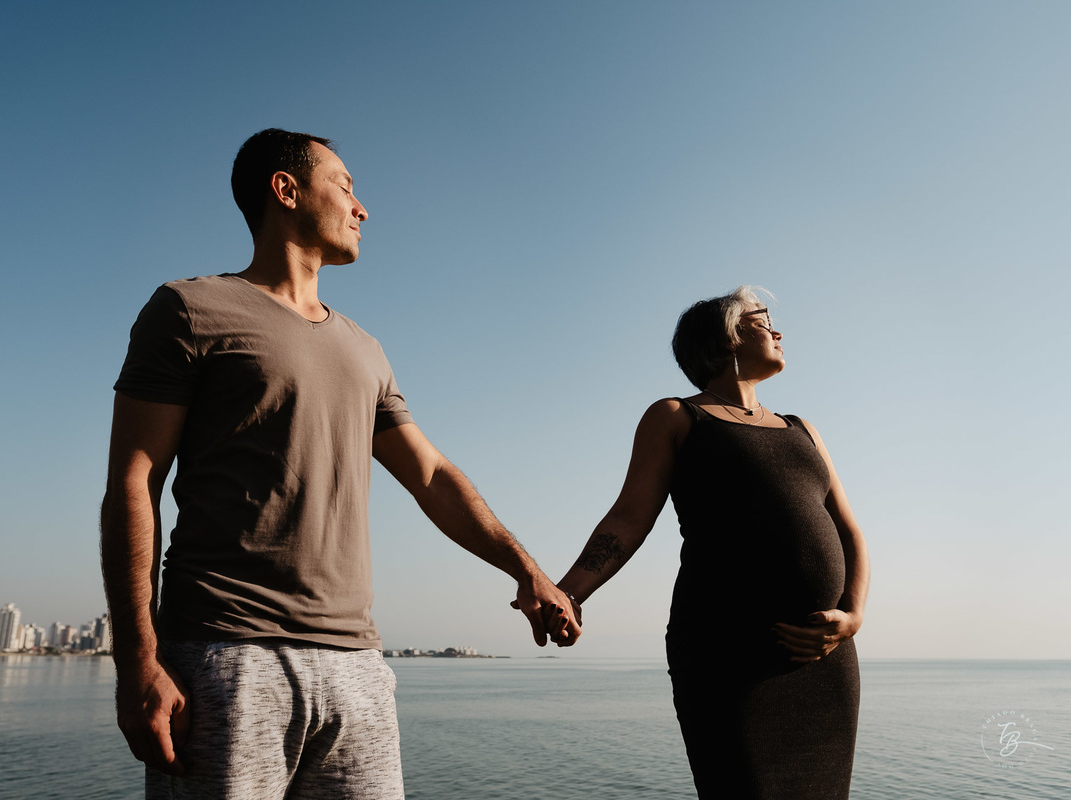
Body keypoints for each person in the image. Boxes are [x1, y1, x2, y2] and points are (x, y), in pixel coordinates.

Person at [100, 127, 579, 800]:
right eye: (345, 186)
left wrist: (527, 571)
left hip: (358, 667)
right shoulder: (189, 310)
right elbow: (134, 482)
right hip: (226, 656)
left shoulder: (366, 348)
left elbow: (432, 476)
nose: (363, 207)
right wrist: (137, 660)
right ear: (285, 190)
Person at [553, 286, 869, 799]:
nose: (779, 331)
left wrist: (852, 618)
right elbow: (629, 518)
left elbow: (850, 532)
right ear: (727, 337)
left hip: (824, 658)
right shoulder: (676, 417)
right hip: (727, 653)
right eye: (764, 321)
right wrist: (569, 592)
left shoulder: (802, 429)